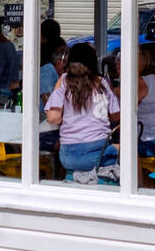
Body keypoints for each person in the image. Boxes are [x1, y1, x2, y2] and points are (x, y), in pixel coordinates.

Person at [44, 42, 120, 185]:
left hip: (68, 155)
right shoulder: (102, 83)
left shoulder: (64, 81)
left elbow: (53, 118)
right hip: (97, 153)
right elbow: (116, 115)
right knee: (125, 151)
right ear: (93, 61)